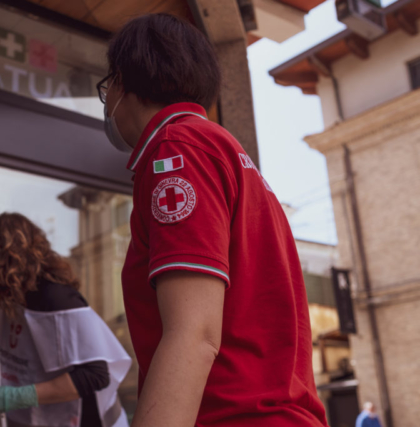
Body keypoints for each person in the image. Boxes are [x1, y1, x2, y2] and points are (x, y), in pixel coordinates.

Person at [97, 13, 329, 427]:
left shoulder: (177, 150)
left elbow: (194, 333)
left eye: (106, 87)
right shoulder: (223, 151)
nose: (108, 101)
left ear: (123, 81)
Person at [0, 213, 131, 427]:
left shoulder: (55, 297)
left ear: (5, 255)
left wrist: (15, 398)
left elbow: (95, 375)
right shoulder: (11, 303)